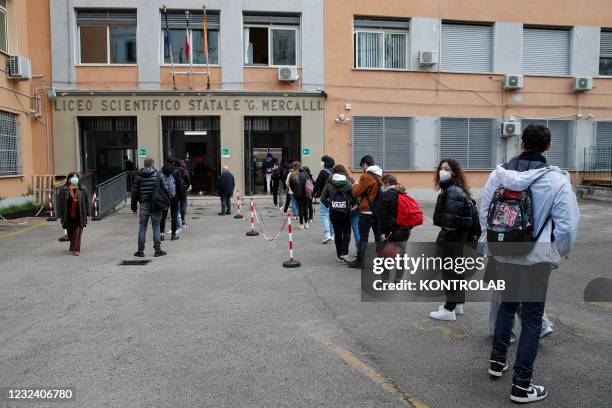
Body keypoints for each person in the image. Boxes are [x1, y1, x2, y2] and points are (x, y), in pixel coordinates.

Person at [481, 124, 579, 403]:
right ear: (549, 147)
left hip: (504, 252)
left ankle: (497, 362)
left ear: (521, 142)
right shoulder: (557, 180)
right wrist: (558, 253)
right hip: (537, 258)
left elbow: (484, 212)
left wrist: (493, 246)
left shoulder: (498, 175)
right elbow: (567, 226)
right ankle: (522, 385)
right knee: (533, 320)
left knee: (506, 306)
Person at [429, 159, 473, 321]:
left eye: (447, 169)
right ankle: (457, 304)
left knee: (450, 273)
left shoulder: (453, 192)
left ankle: (449, 309)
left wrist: (439, 245)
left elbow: (449, 224)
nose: (443, 171)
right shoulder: (455, 189)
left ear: (454, 171)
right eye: (441, 168)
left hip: (453, 237)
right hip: (458, 237)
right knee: (456, 271)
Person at [347, 155, 383, 269]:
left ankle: (361, 262)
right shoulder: (380, 175)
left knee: (364, 238)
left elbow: (357, 192)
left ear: (365, 164)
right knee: (379, 237)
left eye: (362, 165)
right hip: (378, 212)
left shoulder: (366, 176)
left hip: (366, 212)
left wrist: (354, 185)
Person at [377, 174, 412, 283]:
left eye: (383, 184)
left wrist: (382, 232)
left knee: (385, 255)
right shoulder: (403, 193)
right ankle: (398, 279)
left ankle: (385, 280)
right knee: (401, 254)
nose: (383, 186)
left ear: (387, 183)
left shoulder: (386, 195)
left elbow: (383, 216)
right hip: (405, 230)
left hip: (390, 231)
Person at [131, 158, 165, 257]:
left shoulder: (139, 175)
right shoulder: (158, 174)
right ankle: (157, 250)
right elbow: (164, 189)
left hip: (143, 204)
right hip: (156, 204)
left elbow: (134, 192)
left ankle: (140, 251)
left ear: (144, 164)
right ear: (152, 164)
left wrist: (134, 207)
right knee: (156, 226)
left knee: (142, 226)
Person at [320, 165, 354, 263]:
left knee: (337, 233)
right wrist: (350, 206)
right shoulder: (348, 183)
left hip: (334, 212)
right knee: (347, 232)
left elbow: (322, 198)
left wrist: (329, 205)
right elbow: (355, 199)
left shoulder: (329, 183)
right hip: (346, 212)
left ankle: (339, 256)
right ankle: (345, 254)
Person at [56, 172, 90, 256]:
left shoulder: (83, 188)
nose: (74, 178)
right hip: (68, 214)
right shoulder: (63, 189)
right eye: (73, 177)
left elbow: (87, 201)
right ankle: (73, 245)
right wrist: (59, 215)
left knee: (78, 232)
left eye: (76, 177)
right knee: (70, 233)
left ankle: (76, 249)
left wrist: (88, 213)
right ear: (69, 179)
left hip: (80, 213)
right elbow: (59, 203)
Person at [160, 156, 184, 241]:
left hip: (164, 197)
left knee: (163, 216)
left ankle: (161, 235)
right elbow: (180, 185)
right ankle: (173, 235)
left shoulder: (161, 171)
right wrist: (181, 198)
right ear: (174, 162)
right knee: (174, 216)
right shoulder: (176, 172)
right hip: (174, 196)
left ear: (165, 161)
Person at [314, 155, 336, 244]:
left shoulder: (323, 172)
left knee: (324, 215)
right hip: (335, 198)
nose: (321, 162)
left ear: (325, 162)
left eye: (322, 161)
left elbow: (317, 185)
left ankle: (327, 234)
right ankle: (333, 234)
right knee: (332, 215)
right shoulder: (335, 171)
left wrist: (314, 194)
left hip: (325, 197)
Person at [287, 161, 309, 229]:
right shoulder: (305, 174)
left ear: (294, 166)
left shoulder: (292, 175)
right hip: (306, 193)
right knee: (305, 208)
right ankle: (306, 223)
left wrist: (295, 191)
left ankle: (301, 224)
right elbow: (309, 183)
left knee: (300, 209)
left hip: (298, 194)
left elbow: (290, 185)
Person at [176, 159, 191, 228]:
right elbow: (188, 182)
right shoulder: (185, 171)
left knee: (176, 206)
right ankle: (183, 221)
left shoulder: (174, 171)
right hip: (183, 191)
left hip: (176, 191)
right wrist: (186, 188)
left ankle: (177, 220)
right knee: (183, 205)